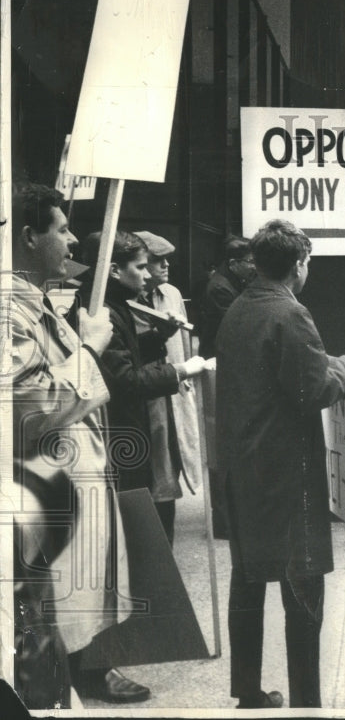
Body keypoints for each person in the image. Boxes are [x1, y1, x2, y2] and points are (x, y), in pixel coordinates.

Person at [216, 219, 345, 709]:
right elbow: (313, 390)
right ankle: (306, 701)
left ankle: (248, 690)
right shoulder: (290, 313)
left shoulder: (237, 307)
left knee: (248, 580)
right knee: (302, 592)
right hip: (285, 475)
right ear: (299, 265)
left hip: (242, 469)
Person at [9, 183, 141, 705]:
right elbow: (31, 409)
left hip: (63, 489)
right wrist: (89, 345)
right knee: (49, 612)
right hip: (40, 496)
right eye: (61, 230)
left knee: (76, 598)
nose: (71, 241)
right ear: (27, 237)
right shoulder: (9, 313)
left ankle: (82, 670)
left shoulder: (35, 303)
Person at [74, 232, 208, 513]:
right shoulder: (102, 312)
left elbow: (124, 356)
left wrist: (160, 334)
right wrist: (181, 369)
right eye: (140, 267)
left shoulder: (112, 304)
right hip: (119, 436)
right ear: (113, 271)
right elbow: (126, 380)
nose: (147, 275)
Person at [132, 231, 204, 546]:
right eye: (158, 260)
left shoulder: (171, 294)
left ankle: (167, 558)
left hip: (174, 400)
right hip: (145, 408)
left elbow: (184, 347)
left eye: (165, 260)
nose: (165, 266)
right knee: (149, 488)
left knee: (169, 484)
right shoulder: (125, 300)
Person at [197, 234, 254, 539]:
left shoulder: (226, 283)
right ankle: (223, 521)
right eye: (250, 262)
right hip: (217, 370)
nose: (254, 267)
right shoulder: (221, 288)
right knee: (221, 444)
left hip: (220, 367)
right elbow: (238, 324)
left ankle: (228, 516)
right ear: (234, 263)